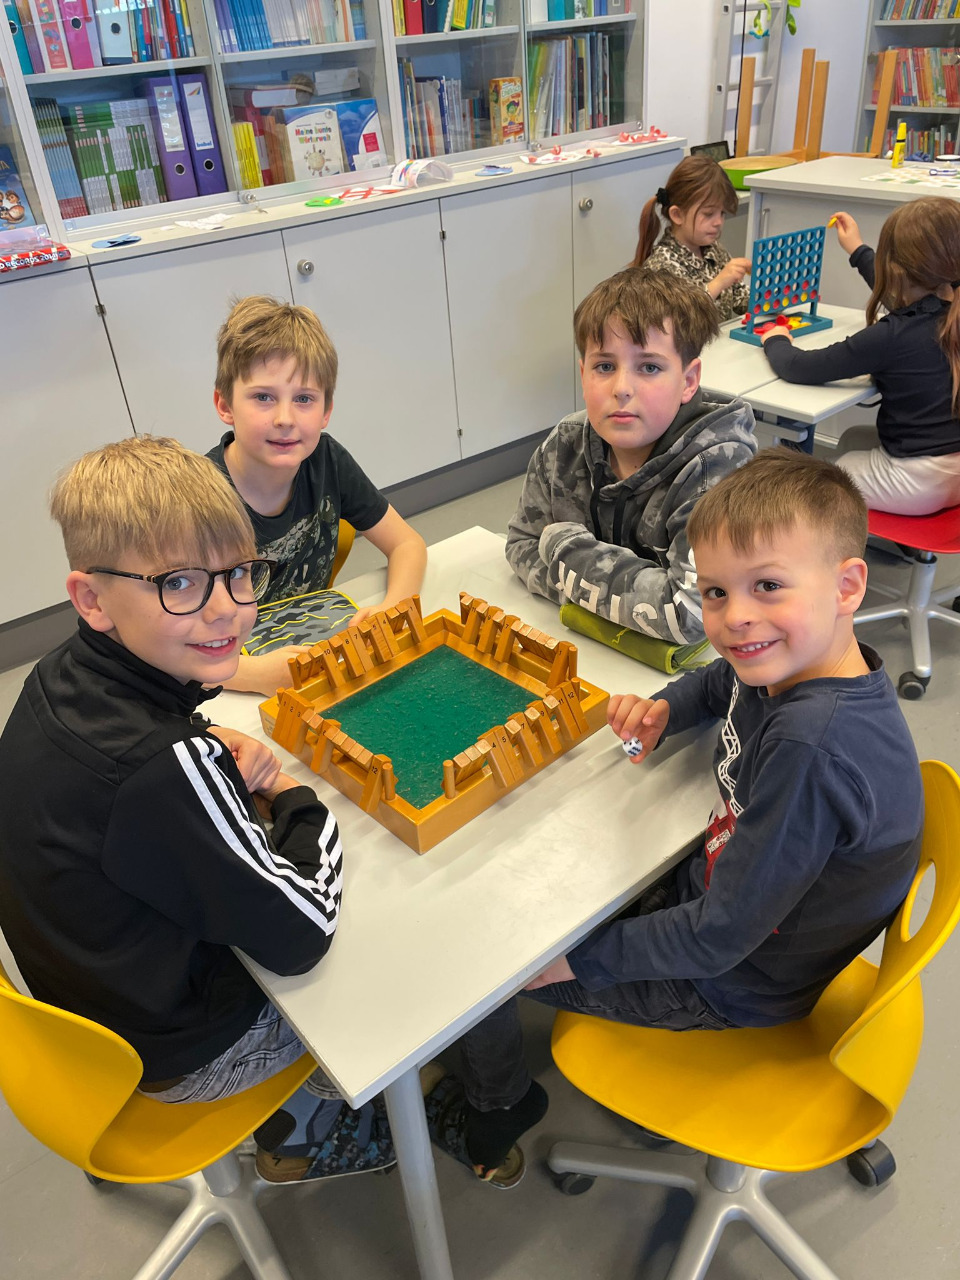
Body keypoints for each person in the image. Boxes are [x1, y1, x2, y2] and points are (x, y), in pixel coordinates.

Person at [431, 448, 923, 1185]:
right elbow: (723, 679)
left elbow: (716, 937)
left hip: (731, 980)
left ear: (848, 586)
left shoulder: (812, 749)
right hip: (730, 910)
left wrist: (576, 962)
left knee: (481, 970)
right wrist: (667, 709)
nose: (736, 619)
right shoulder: (796, 660)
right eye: (716, 592)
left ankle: (497, 1108)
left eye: (767, 586)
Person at [0, 436, 397, 1184]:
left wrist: (203, 744)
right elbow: (302, 933)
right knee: (386, 956)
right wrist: (295, 798)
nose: (228, 611)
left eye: (239, 574)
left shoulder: (54, 675)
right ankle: (310, 1132)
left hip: (84, 1020)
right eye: (178, 583)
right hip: (185, 1055)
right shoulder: (160, 768)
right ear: (91, 599)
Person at [505, 268, 756, 644]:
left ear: (688, 381)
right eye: (604, 367)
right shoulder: (565, 444)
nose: (621, 388)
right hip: (585, 649)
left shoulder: (715, 470)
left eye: (649, 367)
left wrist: (562, 546)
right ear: (583, 374)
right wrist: (623, 603)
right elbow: (520, 544)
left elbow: (691, 614)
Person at [209, 295, 427, 694]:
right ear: (225, 405)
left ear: (326, 411)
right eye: (263, 397)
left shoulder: (327, 460)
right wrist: (255, 675)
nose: (285, 419)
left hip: (317, 660)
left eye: (304, 399)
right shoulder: (197, 499)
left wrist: (393, 609)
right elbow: (158, 642)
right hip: (231, 677)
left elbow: (407, 544)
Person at [761, 197, 960, 515]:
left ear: (894, 269)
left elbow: (798, 367)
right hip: (950, 473)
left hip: (920, 480)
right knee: (853, 440)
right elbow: (908, 303)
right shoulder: (948, 315)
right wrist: (857, 249)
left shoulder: (892, 336)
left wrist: (775, 339)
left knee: (819, 483)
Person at [631, 155, 751, 322]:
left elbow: (741, 299)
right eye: (708, 214)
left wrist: (770, 291)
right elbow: (679, 321)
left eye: (722, 213)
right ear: (677, 215)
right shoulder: (661, 265)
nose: (718, 222)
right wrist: (719, 282)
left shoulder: (715, 250)